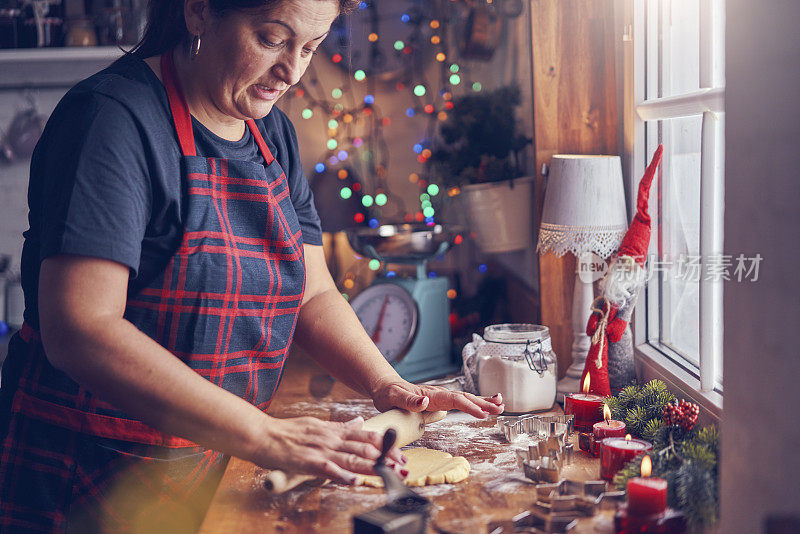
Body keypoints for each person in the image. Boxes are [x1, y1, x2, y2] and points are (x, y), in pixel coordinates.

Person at [0, 0, 505, 531]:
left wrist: (387, 385)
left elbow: (313, 293)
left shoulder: (273, 136)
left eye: (309, 47)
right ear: (198, 13)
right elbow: (81, 328)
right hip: (90, 476)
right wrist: (266, 436)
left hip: (208, 465)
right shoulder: (113, 119)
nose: (292, 71)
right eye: (271, 39)